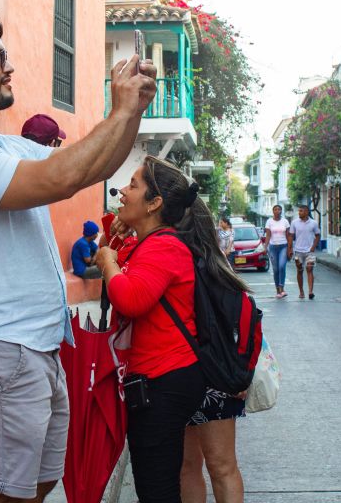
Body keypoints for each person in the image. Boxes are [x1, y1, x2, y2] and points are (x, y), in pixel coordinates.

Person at [0, 10, 156, 503]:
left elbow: (93, 167)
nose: (8, 67)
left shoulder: (3, 145)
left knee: (38, 485)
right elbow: (59, 179)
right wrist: (118, 112)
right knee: (1, 494)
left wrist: (133, 111)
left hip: (32, 345)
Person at [94, 156, 235, 503]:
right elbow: (115, 259)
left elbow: (130, 299)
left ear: (155, 202)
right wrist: (115, 244)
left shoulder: (163, 246)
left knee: (157, 489)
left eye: (133, 185)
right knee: (159, 480)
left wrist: (110, 265)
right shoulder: (152, 242)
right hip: (158, 378)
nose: (122, 191)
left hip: (163, 381)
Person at [289, 205, 321, 300]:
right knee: (299, 270)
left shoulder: (313, 223)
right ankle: (301, 291)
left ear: (307, 212)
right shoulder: (294, 222)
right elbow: (291, 236)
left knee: (309, 269)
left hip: (309, 251)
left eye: (301, 211)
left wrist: (313, 247)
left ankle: (310, 291)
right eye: (299, 211)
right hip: (298, 250)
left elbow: (318, 235)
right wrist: (290, 249)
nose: (299, 213)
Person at [264, 205, 291, 298]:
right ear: (273, 211)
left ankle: (282, 288)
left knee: (282, 267)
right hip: (273, 247)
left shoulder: (285, 221)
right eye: (275, 209)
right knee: (275, 269)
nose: (277, 211)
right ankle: (277, 290)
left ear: (281, 211)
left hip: (283, 246)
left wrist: (290, 249)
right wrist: (265, 247)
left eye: (279, 209)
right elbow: (268, 235)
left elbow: (288, 236)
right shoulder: (269, 222)